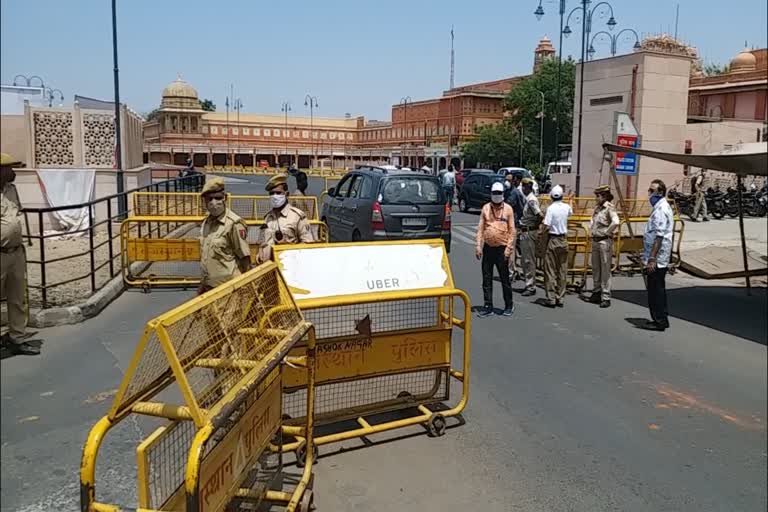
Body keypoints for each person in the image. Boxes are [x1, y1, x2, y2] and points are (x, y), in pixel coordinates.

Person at [1, 153, 39, 355]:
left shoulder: (12, 190)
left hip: (15, 253)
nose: (12, 172)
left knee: (17, 298)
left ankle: (16, 337)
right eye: (8, 168)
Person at [198, 177, 252, 294]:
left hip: (229, 290)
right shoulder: (206, 223)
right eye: (209, 199)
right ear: (205, 201)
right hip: (208, 288)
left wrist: (247, 287)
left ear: (225, 198)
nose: (214, 203)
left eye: (218, 198)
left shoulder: (234, 224)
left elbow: (245, 259)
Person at [475, 181, 515, 317]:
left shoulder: (508, 209)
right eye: (495, 193)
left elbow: (512, 231)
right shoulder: (485, 208)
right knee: (487, 278)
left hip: (502, 249)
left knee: (505, 279)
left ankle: (509, 305)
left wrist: (508, 249)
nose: (497, 195)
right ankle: (488, 306)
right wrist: (478, 246)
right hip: (488, 248)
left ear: (502, 194)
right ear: (491, 194)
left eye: (499, 193)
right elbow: (480, 229)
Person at [258, 174, 314, 263]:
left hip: (290, 267)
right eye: (272, 193)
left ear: (286, 194)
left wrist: (290, 247)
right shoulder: (267, 218)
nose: (274, 196)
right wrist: (259, 257)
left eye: (278, 193)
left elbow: (309, 245)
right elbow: (262, 245)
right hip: (269, 269)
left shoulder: (297, 217)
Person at [642, 179, 674, 331]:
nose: (649, 193)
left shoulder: (661, 209)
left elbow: (659, 236)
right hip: (656, 256)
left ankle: (659, 320)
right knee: (657, 288)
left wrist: (652, 259)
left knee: (655, 289)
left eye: (651, 190)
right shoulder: (659, 207)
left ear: (660, 192)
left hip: (657, 258)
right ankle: (660, 318)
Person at [588, 184, 620, 308]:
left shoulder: (609, 208)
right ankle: (596, 291)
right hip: (595, 240)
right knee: (596, 268)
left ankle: (605, 296)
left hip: (604, 241)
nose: (596, 198)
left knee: (605, 269)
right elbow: (593, 220)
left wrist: (607, 232)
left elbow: (616, 222)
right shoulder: (597, 208)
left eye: (598, 196)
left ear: (604, 196)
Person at [541, 185, 572, 307]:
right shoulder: (566, 207)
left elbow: (547, 225)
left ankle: (551, 298)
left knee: (550, 270)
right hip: (564, 240)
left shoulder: (551, 209)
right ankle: (561, 297)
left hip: (553, 239)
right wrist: (570, 200)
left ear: (551, 196)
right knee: (562, 270)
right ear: (562, 196)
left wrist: (541, 235)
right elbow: (570, 212)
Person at [518, 177, 543, 296]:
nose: (523, 188)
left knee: (529, 260)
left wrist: (535, 226)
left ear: (529, 187)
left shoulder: (531, 200)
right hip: (525, 231)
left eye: (525, 186)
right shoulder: (527, 199)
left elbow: (539, 215)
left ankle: (531, 285)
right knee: (524, 259)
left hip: (529, 232)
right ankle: (528, 283)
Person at [504, 170, 525, 281]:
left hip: (513, 225)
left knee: (510, 249)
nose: (507, 182)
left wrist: (520, 221)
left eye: (509, 180)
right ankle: (514, 270)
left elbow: (521, 208)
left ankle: (511, 272)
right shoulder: (505, 192)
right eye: (506, 180)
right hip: (505, 224)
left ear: (513, 181)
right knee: (512, 249)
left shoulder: (515, 193)